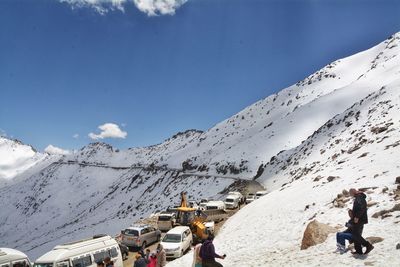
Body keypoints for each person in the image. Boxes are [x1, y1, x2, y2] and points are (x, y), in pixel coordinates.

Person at [349, 188, 374, 255]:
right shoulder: (358, 197)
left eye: (350, 193)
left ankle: (368, 245)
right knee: (357, 235)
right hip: (359, 219)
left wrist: (357, 217)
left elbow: (361, 208)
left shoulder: (359, 197)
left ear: (353, 192)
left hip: (360, 219)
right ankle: (358, 251)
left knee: (355, 234)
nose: (350, 195)